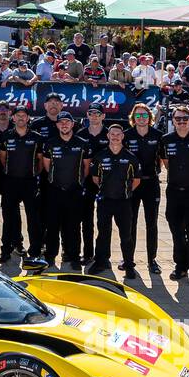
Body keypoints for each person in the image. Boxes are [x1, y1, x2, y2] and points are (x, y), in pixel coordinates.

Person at [88, 123, 140, 278]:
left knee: (126, 235)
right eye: (113, 134)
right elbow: (95, 178)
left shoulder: (131, 158)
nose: (115, 137)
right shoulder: (100, 156)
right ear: (108, 136)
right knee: (103, 233)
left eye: (118, 134)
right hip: (105, 201)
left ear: (123, 137)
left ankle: (129, 264)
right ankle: (100, 262)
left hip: (123, 202)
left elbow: (136, 181)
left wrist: (124, 192)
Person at [40, 111, 87, 270]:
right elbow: (47, 166)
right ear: (57, 125)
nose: (64, 125)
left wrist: (77, 182)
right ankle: (50, 256)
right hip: (55, 190)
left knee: (73, 226)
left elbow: (86, 167)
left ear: (73, 124)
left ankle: (73, 256)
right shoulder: (50, 143)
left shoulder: (82, 143)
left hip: (74, 191)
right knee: (52, 225)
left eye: (68, 122)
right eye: (61, 122)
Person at [0, 105, 44, 264]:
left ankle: (35, 251)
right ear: (13, 118)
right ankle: (6, 250)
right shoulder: (6, 136)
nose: (21, 118)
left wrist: (33, 175)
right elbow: (3, 159)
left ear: (28, 118)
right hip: (10, 182)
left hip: (29, 182)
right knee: (8, 218)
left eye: (24, 115)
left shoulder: (37, 137)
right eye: (18, 115)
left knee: (33, 219)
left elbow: (40, 161)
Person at [124, 102, 163, 275]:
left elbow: (162, 159)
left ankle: (151, 260)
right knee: (130, 222)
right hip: (132, 184)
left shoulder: (158, 135)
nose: (141, 118)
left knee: (151, 223)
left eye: (144, 115)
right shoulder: (127, 135)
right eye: (138, 115)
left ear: (150, 118)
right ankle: (128, 259)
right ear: (133, 118)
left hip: (151, 183)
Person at [77, 105, 111, 266]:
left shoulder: (110, 134)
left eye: (98, 113)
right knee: (86, 219)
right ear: (87, 115)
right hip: (88, 182)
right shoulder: (81, 134)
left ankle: (104, 255)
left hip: (108, 182)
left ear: (103, 116)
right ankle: (88, 253)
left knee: (104, 221)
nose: (94, 116)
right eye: (91, 113)